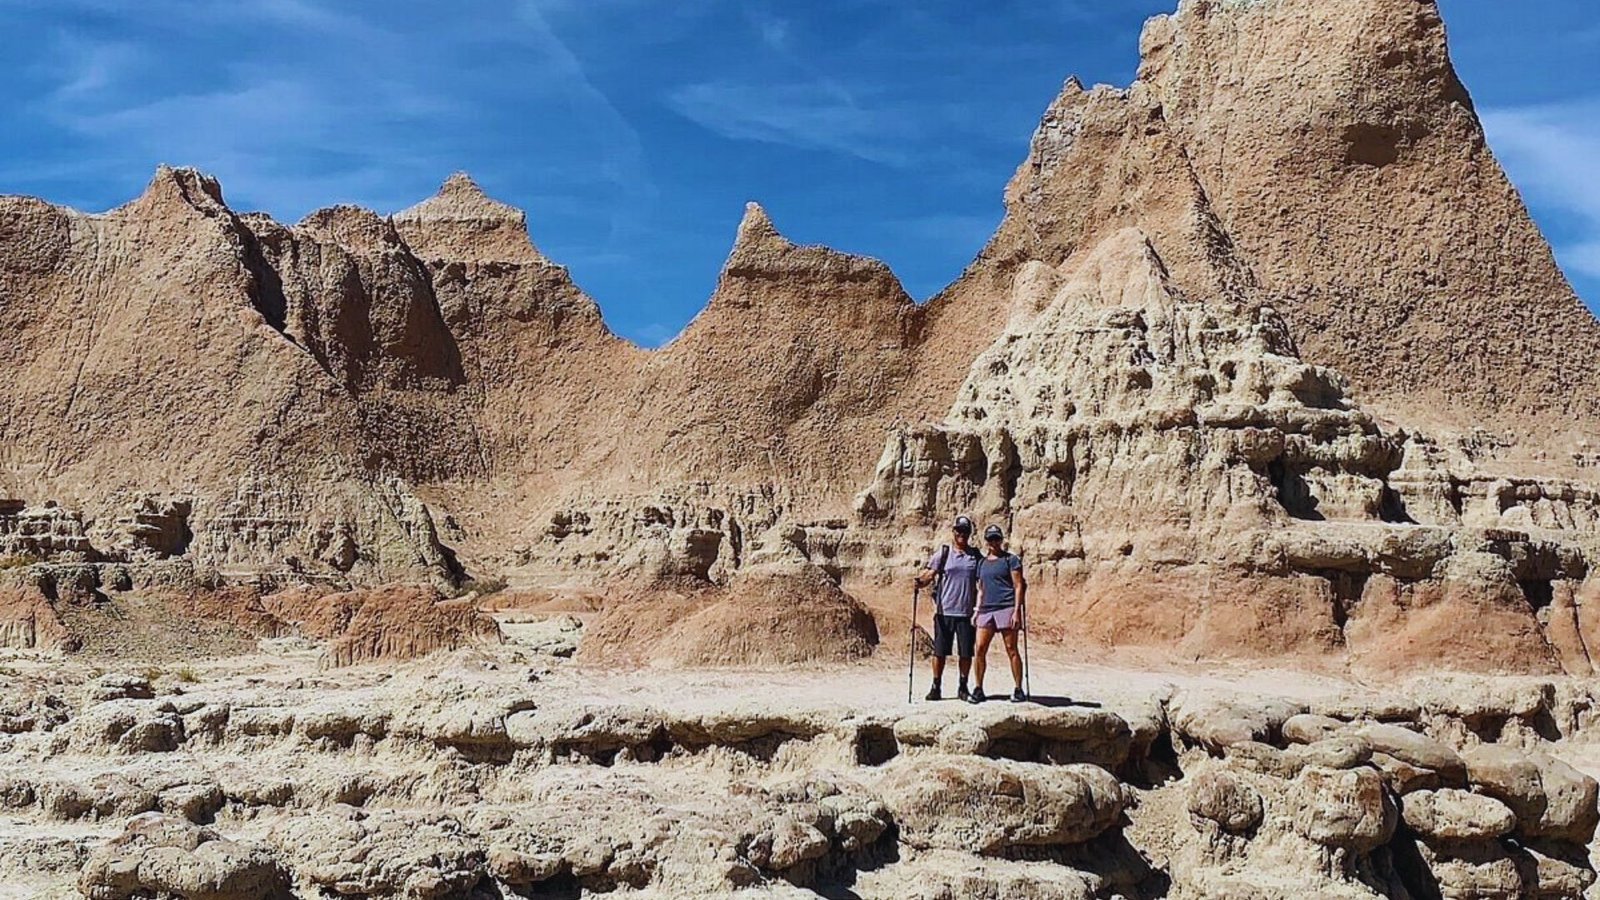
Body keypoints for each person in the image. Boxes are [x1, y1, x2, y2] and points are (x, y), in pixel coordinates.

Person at [913, 515, 981, 701]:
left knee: (966, 652)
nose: (962, 534)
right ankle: (936, 686)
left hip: (966, 613)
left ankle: (963, 686)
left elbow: (985, 578)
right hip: (944, 612)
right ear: (954, 531)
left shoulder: (974, 556)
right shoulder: (943, 553)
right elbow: (930, 574)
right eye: (959, 530)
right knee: (940, 651)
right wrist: (920, 582)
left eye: (966, 531)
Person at [969, 524, 1027, 704]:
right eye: (990, 539)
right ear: (986, 541)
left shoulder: (1011, 560)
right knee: (979, 649)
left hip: (1006, 607)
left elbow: (1018, 586)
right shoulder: (982, 563)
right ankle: (978, 688)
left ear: (1001, 540)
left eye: (996, 538)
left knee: (1011, 649)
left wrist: (1017, 611)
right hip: (986, 609)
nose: (993, 542)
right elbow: (981, 589)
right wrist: (976, 611)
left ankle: (1018, 688)